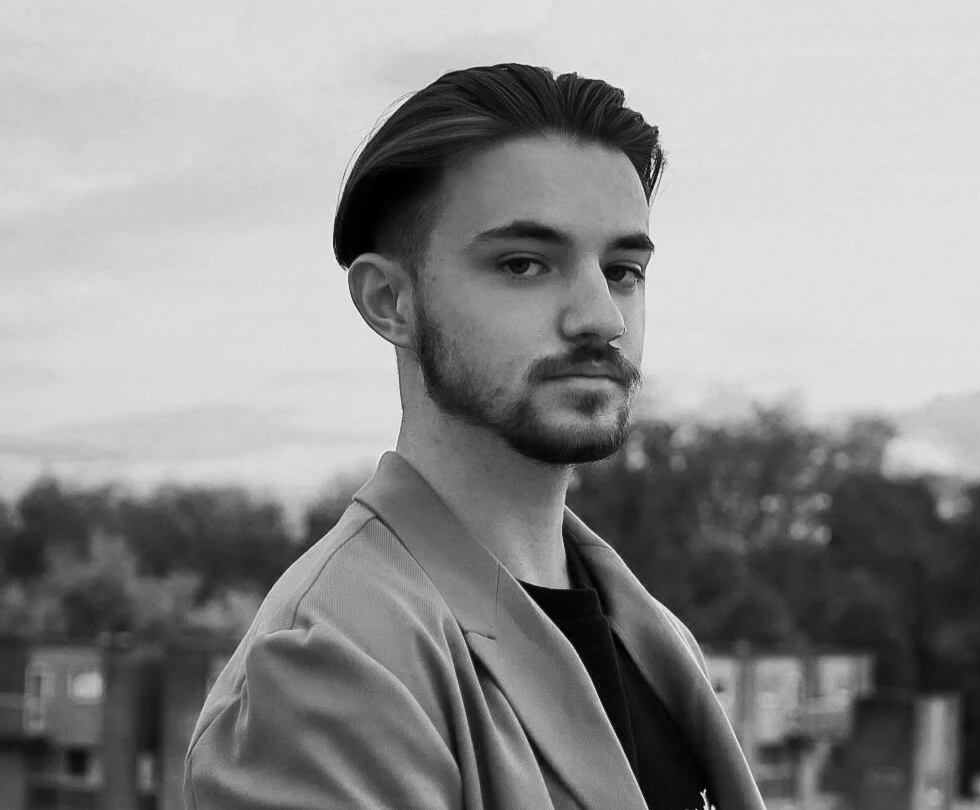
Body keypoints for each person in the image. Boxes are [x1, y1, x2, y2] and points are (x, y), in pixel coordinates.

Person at [184, 63, 764, 810]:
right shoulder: (328, 661)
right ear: (391, 301)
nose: (601, 318)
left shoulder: (655, 639)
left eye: (623, 270)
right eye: (524, 265)